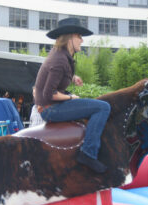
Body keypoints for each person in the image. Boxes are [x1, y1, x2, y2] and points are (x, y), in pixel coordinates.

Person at [34, 18, 111, 173]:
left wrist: (73, 78)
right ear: (70, 38)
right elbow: (49, 94)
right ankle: (88, 153)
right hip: (50, 108)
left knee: (97, 105)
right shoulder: (59, 59)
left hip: (51, 105)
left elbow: (59, 76)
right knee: (103, 107)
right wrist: (70, 98)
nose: (82, 40)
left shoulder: (63, 56)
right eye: (79, 36)